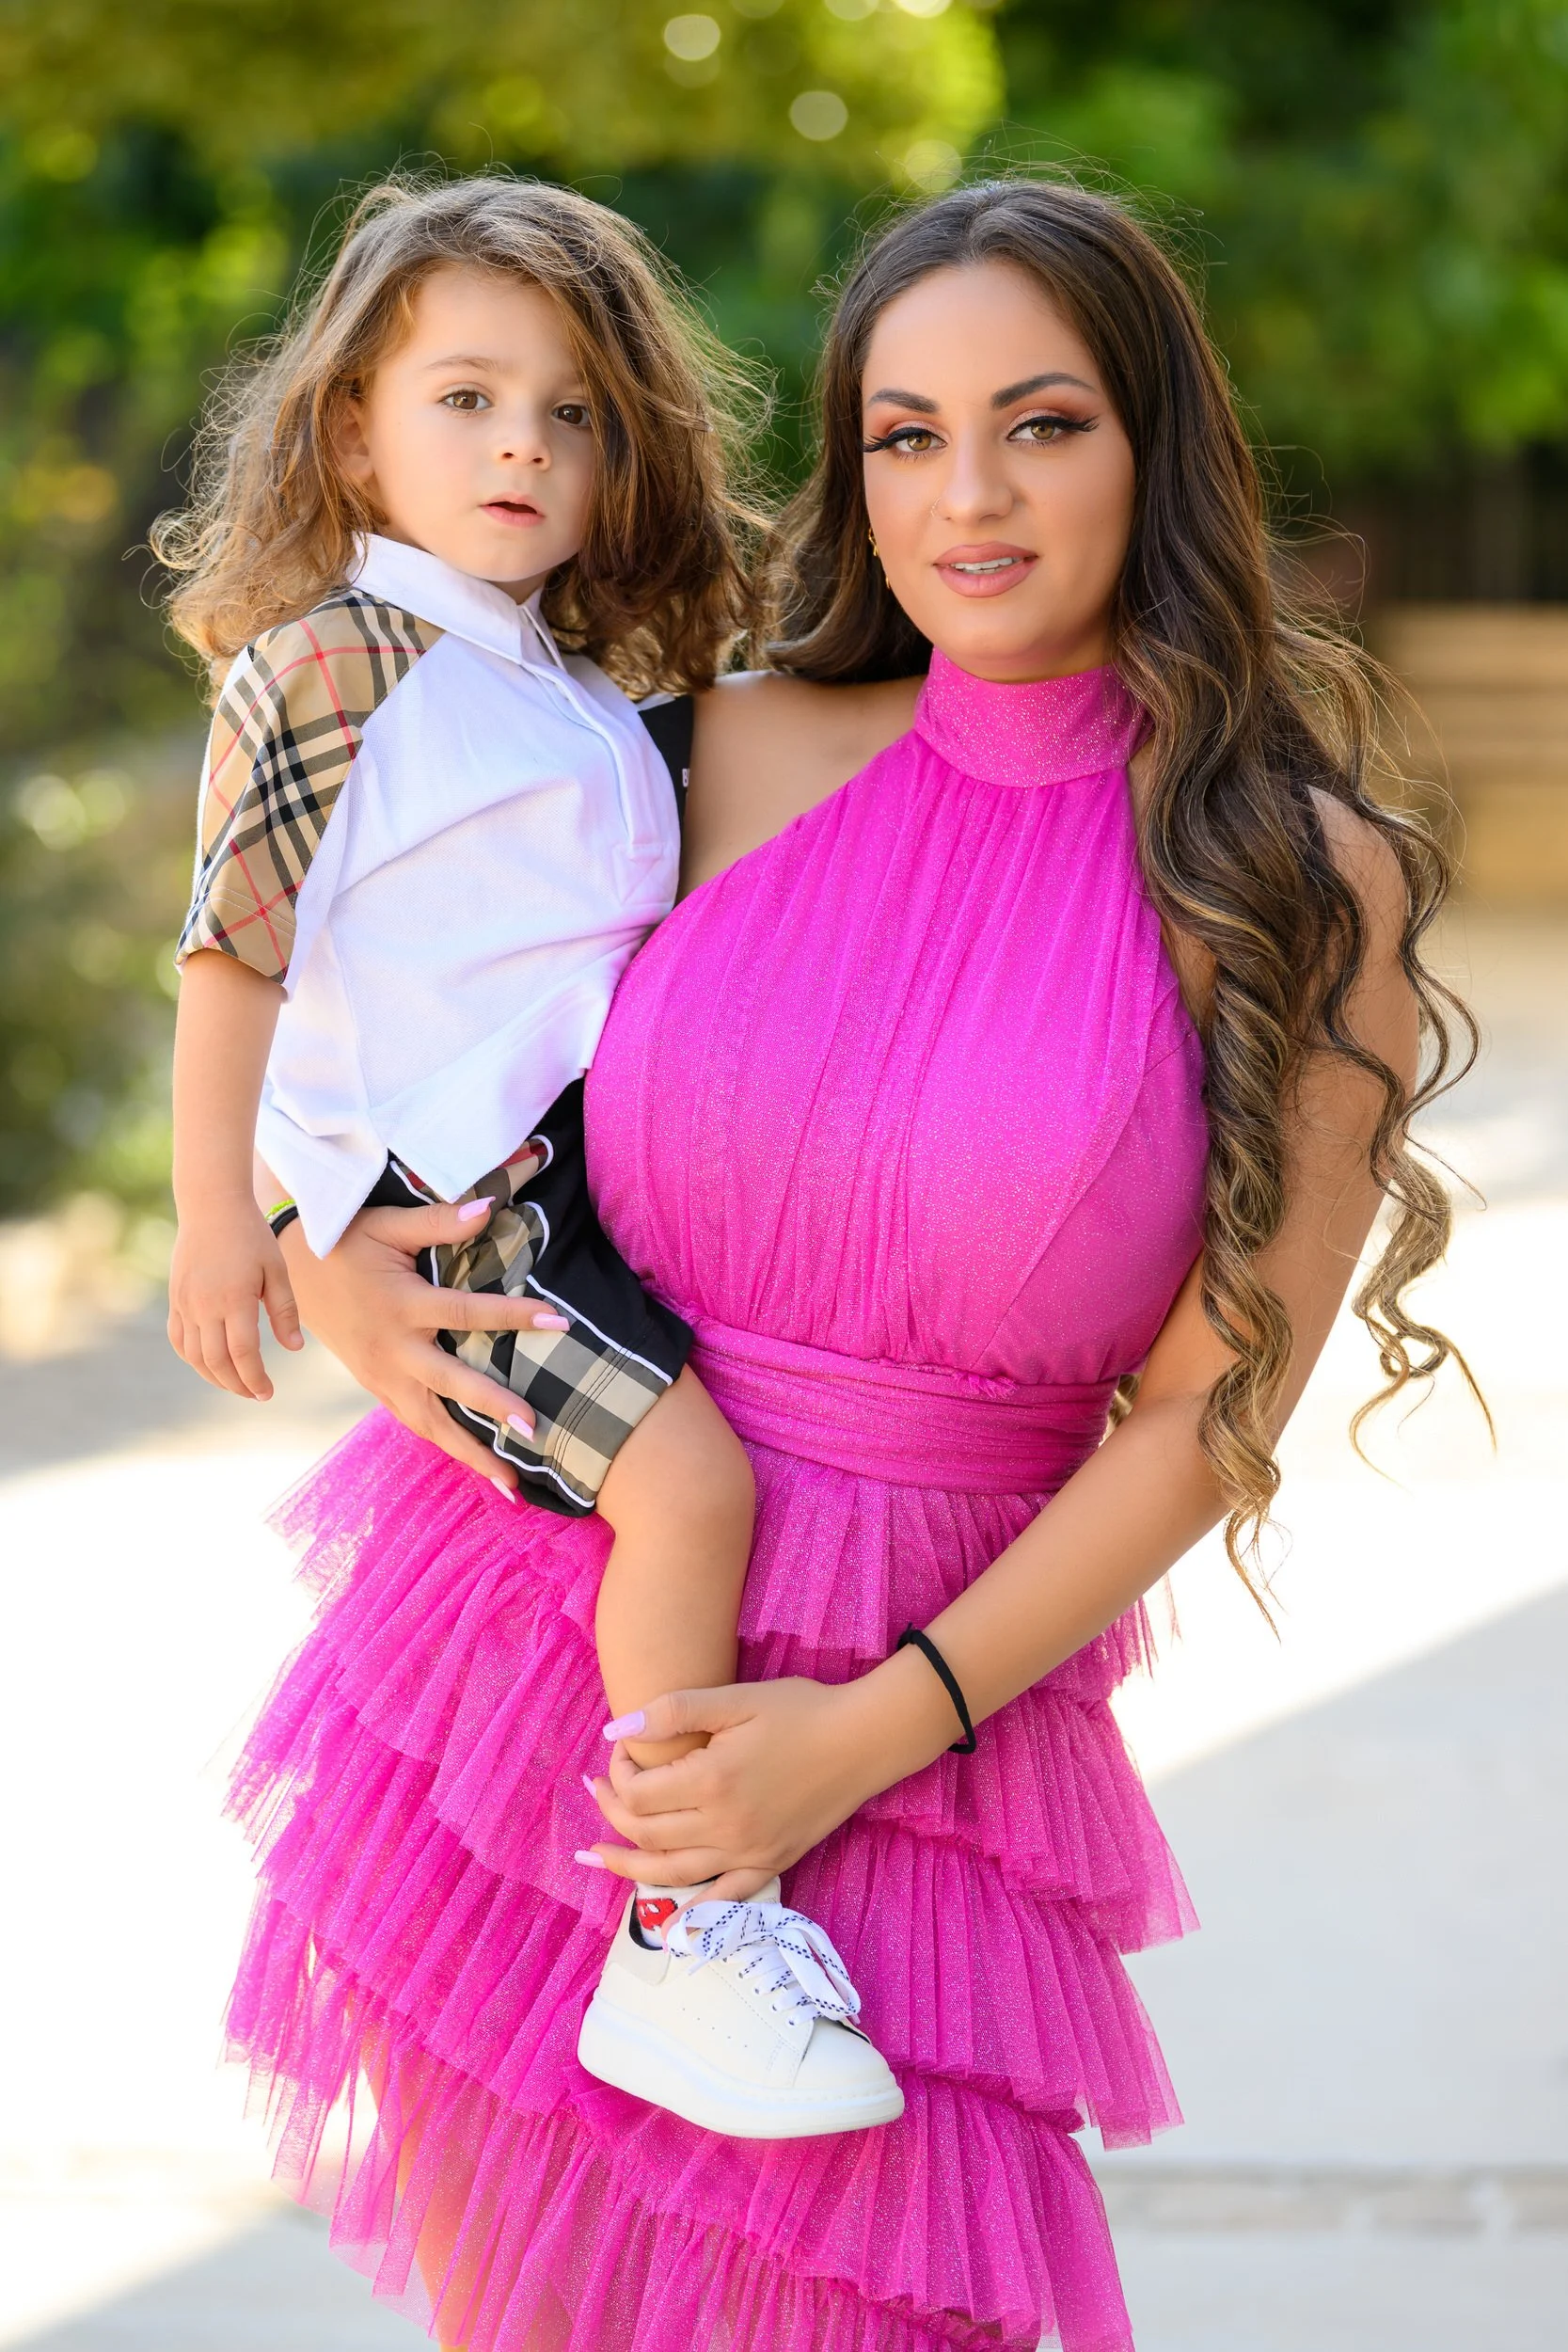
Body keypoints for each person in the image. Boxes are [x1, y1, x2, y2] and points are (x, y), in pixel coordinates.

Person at [223, 178, 1470, 2351]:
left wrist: (856, 1736)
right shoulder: (701, 753)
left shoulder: (1289, 881)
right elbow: (346, 971)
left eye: (1038, 424)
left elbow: (1211, 1408)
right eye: (904, 435)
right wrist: (307, 1244)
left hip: (922, 1717)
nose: (964, 496)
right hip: (535, 1681)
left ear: (1156, 447)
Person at [158, 173, 900, 2141]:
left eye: (569, 413)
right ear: (352, 434)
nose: (522, 446)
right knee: (689, 1488)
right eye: (468, 399)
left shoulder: (554, 685)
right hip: (472, 1194)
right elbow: (231, 951)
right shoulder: (335, 663)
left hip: (588, 1163)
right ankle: (682, 1920)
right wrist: (226, 1219)